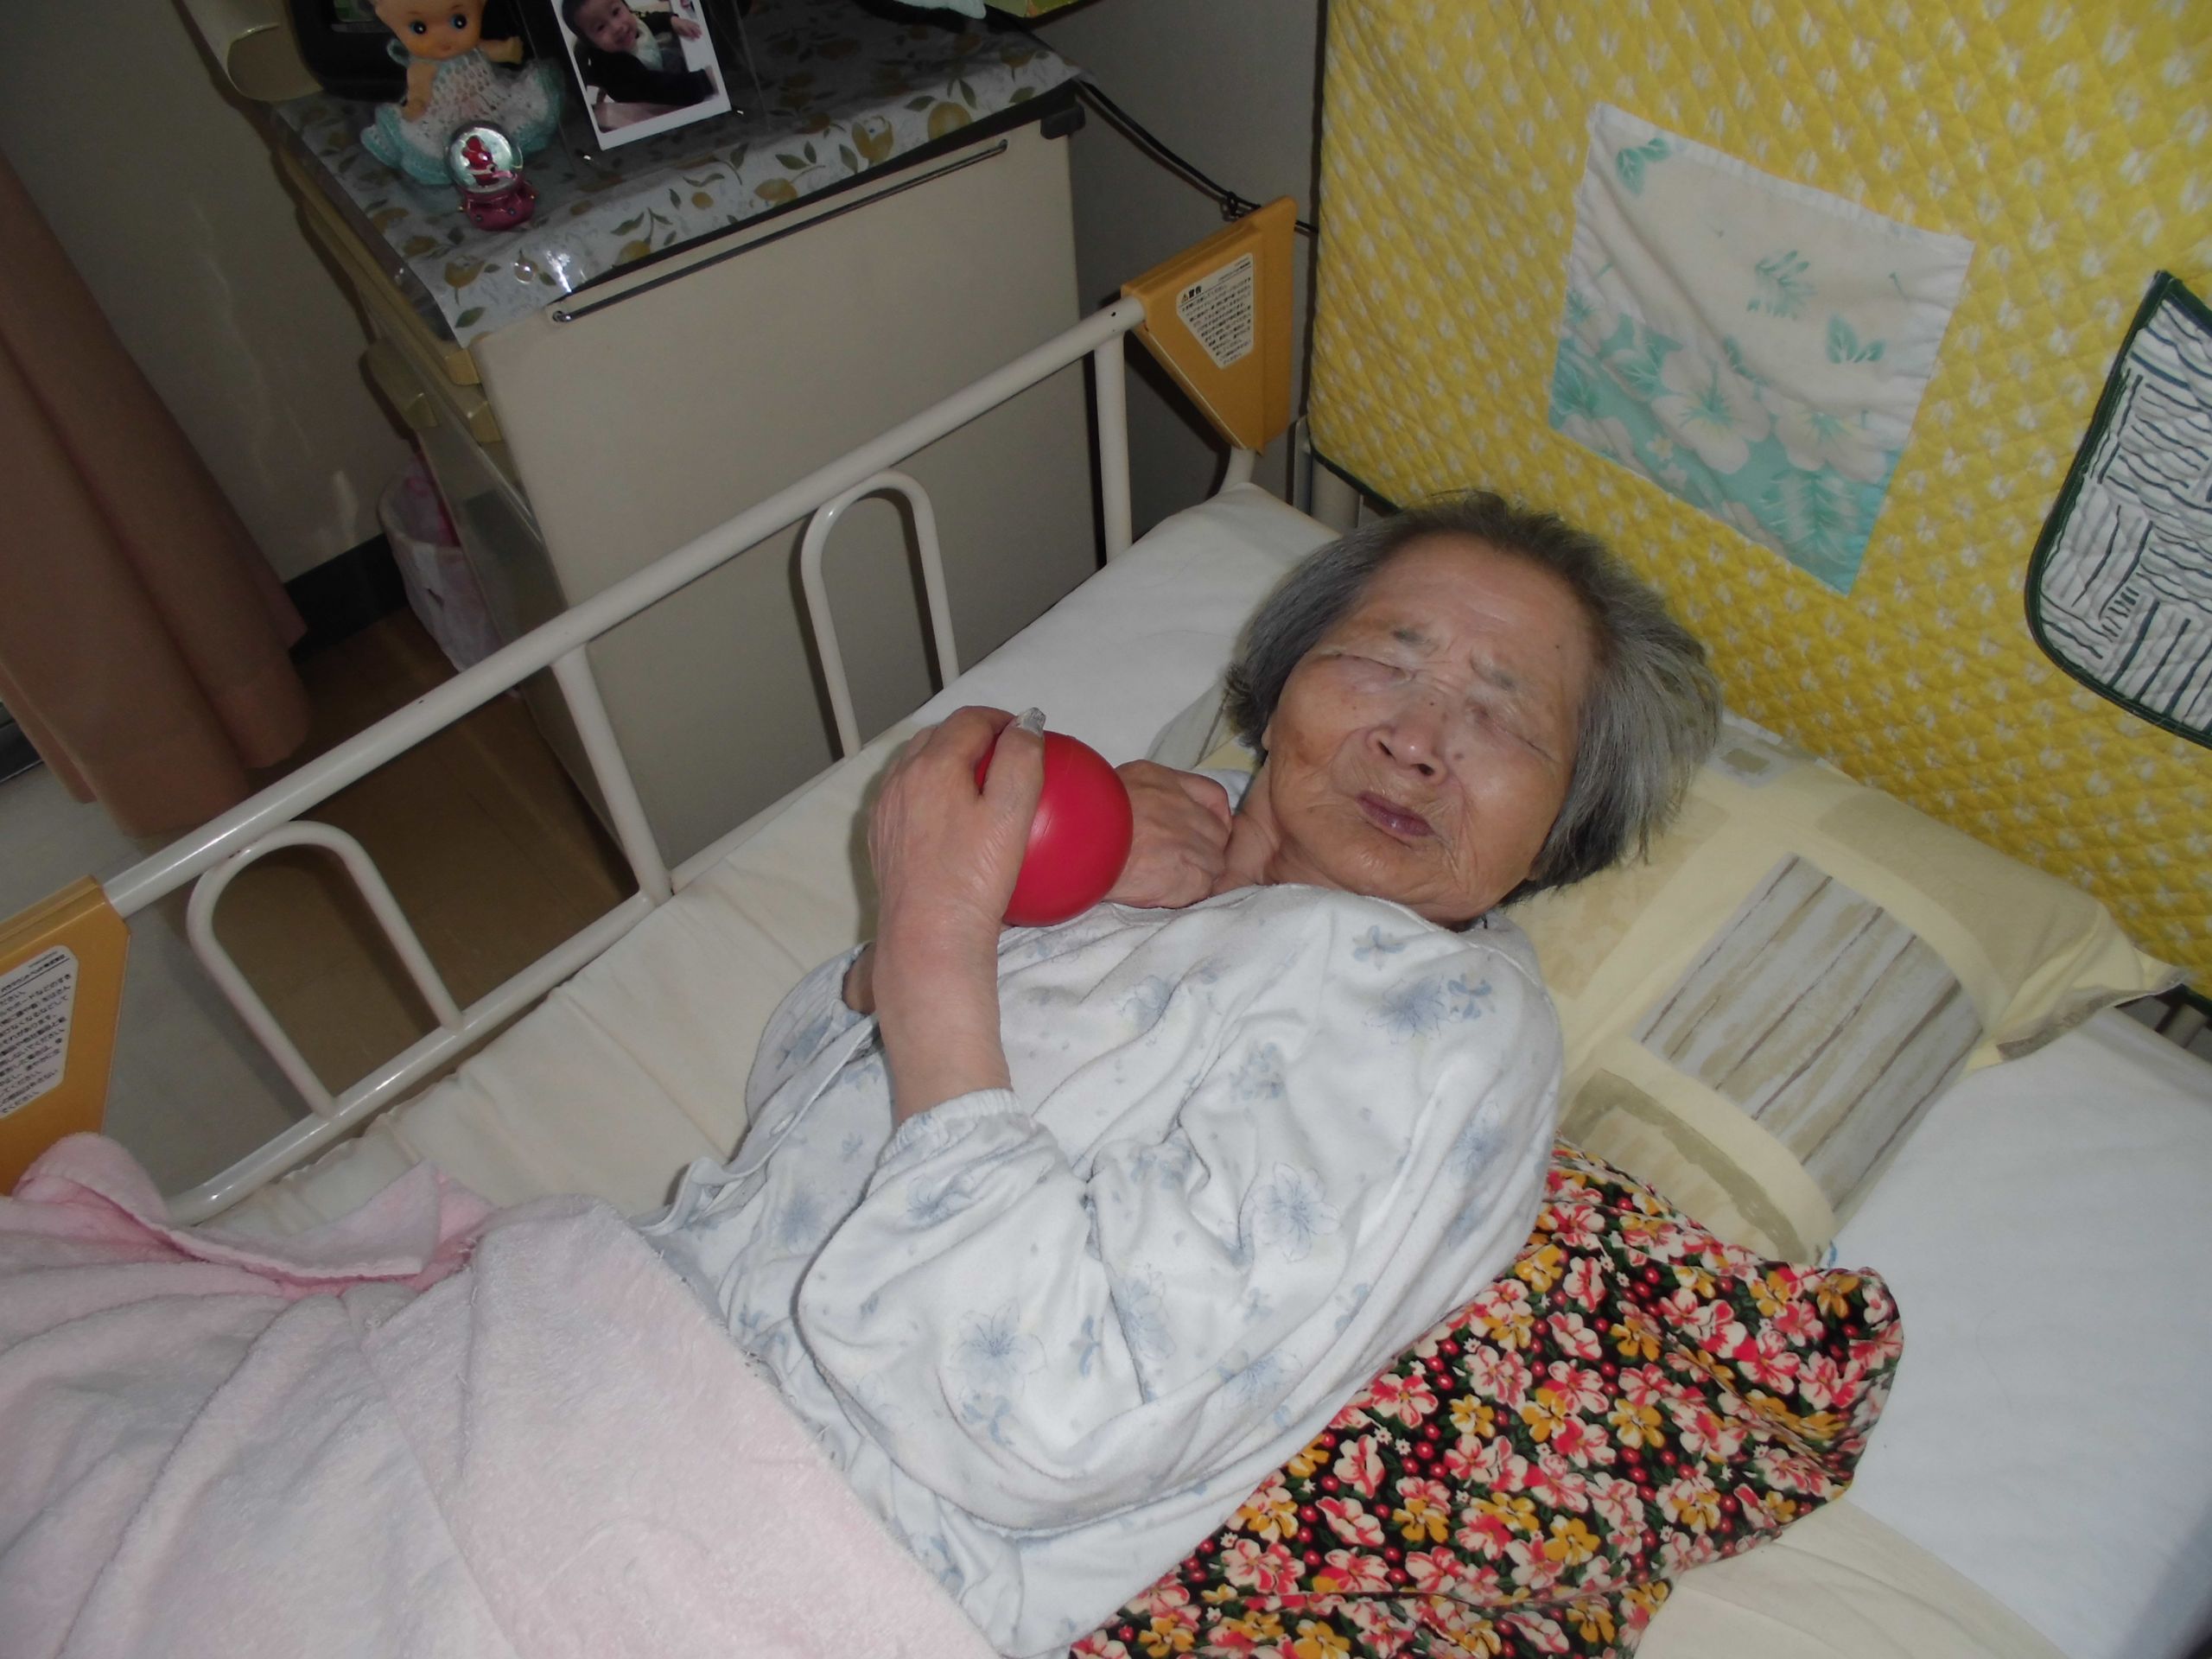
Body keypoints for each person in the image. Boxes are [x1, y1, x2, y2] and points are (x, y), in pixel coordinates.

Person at [640, 493, 1720, 1656]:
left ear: (1563, 828)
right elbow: (790, 1110)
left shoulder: (1450, 1018)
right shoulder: (1137, 852)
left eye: (1503, 719)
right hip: (638, 1345)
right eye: (1380, 661)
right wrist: (1010, 909)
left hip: (794, 1551)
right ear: (1281, 687)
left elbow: (1052, 1417)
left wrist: (937, 941)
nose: (1416, 739)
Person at [560, 0, 716, 130]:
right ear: (591, 42)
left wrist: (670, 20)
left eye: (616, 12)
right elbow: (663, 90)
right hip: (644, 99)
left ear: (626, 6)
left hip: (652, 69)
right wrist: (705, 80)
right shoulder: (618, 70)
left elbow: (645, 20)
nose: (617, 27)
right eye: (600, 27)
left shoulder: (627, 24)